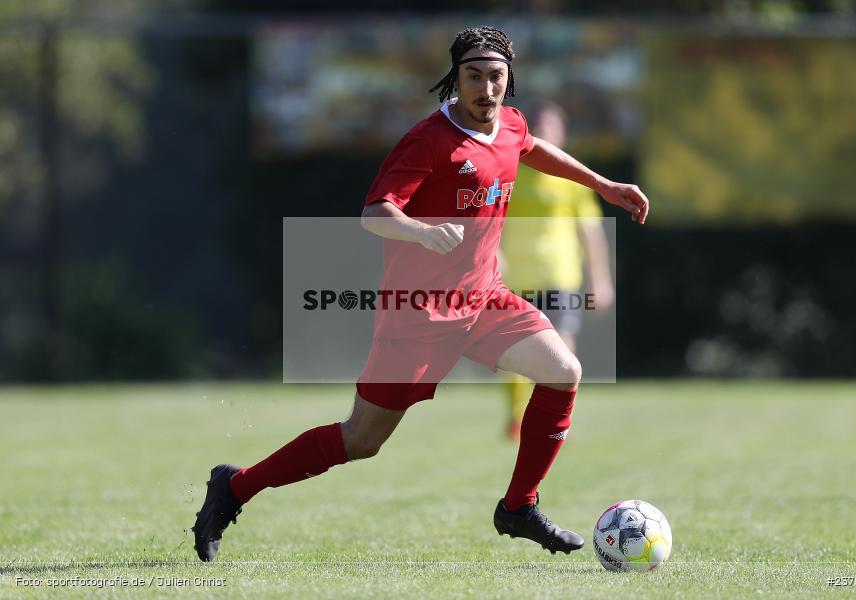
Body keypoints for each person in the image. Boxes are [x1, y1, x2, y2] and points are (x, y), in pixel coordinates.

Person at [192, 25, 649, 562]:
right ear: (454, 80)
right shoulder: (429, 140)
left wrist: (603, 186)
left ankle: (518, 508)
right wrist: (423, 231)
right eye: (473, 76)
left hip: (482, 298)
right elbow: (374, 214)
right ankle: (235, 486)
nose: (486, 88)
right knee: (361, 440)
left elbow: (530, 147)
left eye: (495, 76)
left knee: (563, 371)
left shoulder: (510, 125)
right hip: (419, 313)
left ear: (509, 80)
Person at [500, 101, 615, 441]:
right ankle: (517, 414)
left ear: (562, 133)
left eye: (553, 126)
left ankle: (555, 422)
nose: (546, 132)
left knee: (562, 351)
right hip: (515, 275)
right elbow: (488, 220)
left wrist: (602, 281)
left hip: (561, 274)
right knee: (513, 352)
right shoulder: (509, 171)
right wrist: (491, 255)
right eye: (539, 125)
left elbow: (590, 233)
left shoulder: (572, 179)